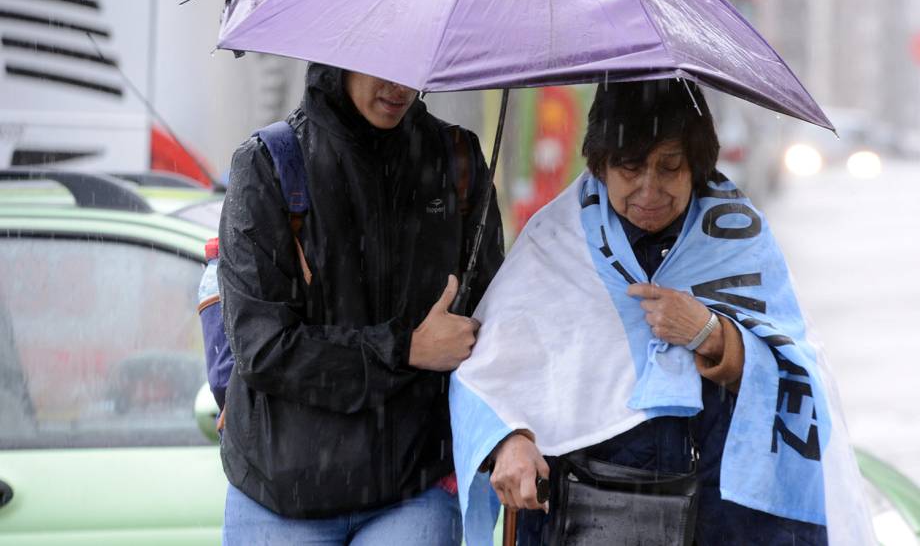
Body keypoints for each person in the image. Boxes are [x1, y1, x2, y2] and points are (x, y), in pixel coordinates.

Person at [449, 79, 874, 545]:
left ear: (697, 166)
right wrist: (510, 440)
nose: (649, 190)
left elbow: (796, 376)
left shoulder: (739, 238)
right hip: (585, 513)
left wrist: (713, 336)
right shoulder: (555, 240)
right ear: (600, 166)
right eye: (629, 169)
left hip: (721, 514)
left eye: (669, 167)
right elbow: (488, 376)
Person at [218, 63, 503, 545]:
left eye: (408, 66)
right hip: (279, 490)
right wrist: (405, 348)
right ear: (340, 57)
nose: (399, 87)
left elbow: (494, 320)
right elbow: (263, 349)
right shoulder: (268, 164)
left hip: (415, 485)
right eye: (382, 68)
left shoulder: (455, 160)